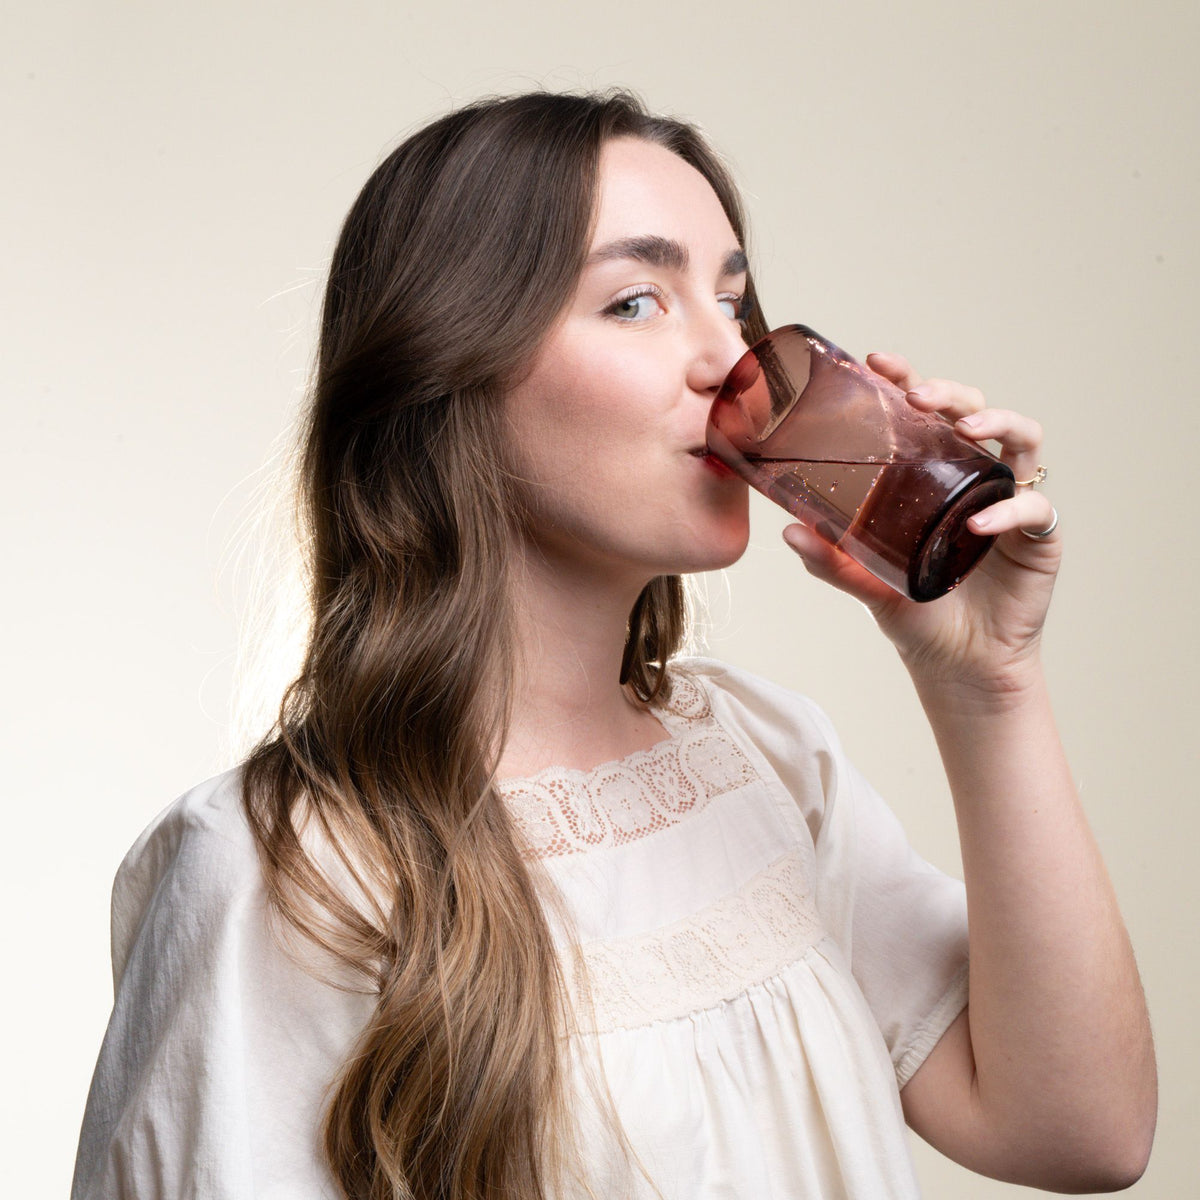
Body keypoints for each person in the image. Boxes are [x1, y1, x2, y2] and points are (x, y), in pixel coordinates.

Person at [71, 90, 1156, 1200]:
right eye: (636, 301)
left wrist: (989, 686)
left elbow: (1079, 1134)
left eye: (734, 299)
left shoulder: (766, 758)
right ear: (450, 370)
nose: (733, 357)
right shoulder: (287, 869)